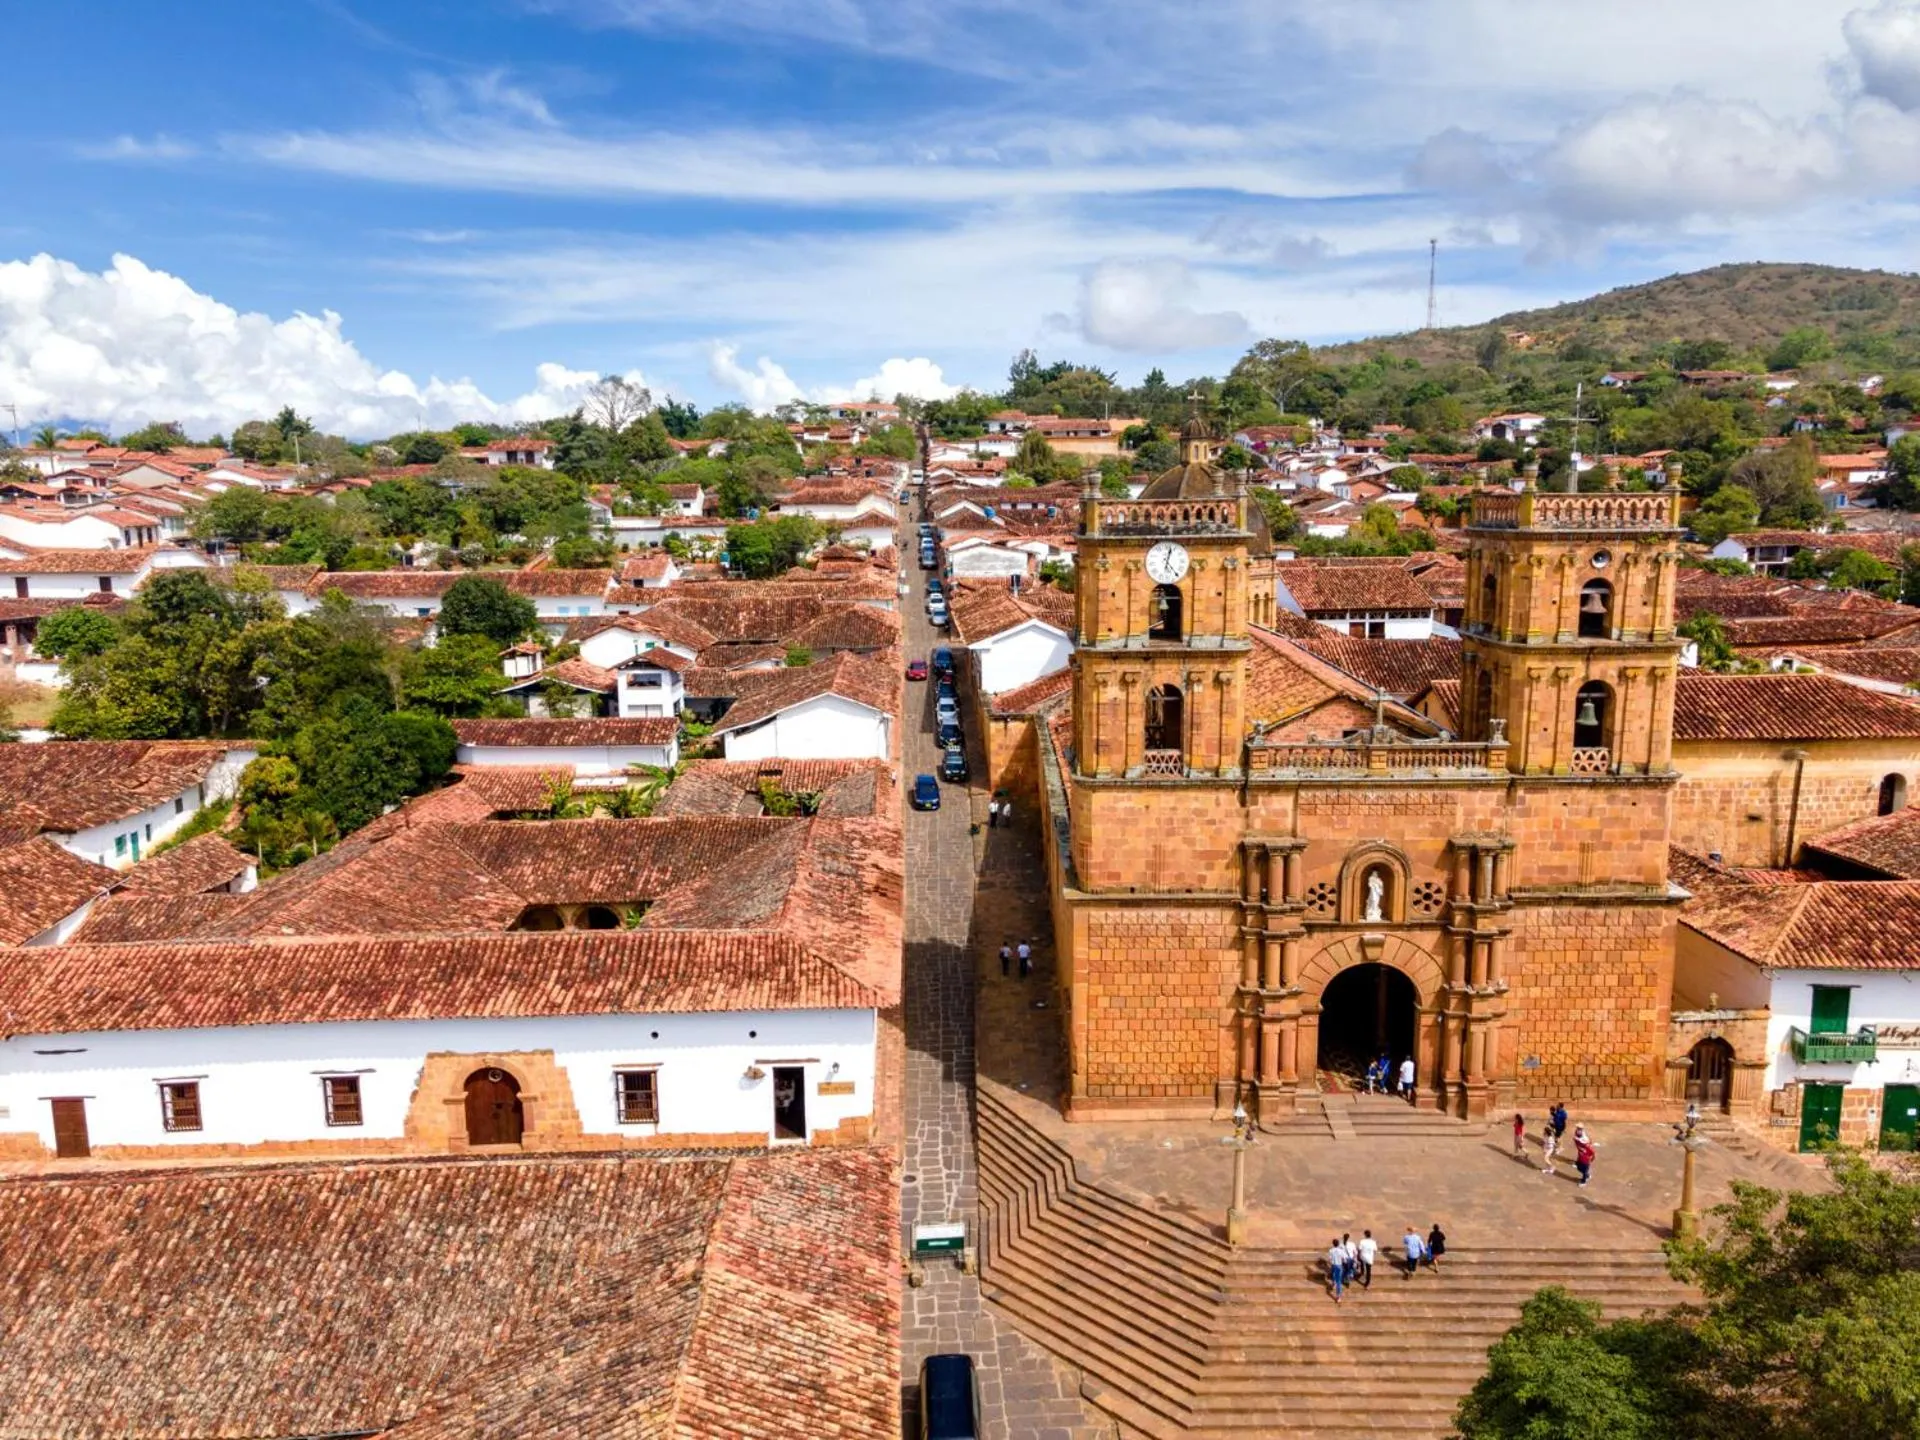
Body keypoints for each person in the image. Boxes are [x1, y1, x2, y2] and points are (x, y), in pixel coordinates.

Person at [1326, 1238, 1346, 1302]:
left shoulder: (1331, 1250)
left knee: (1334, 1275)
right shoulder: (1341, 1250)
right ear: (1338, 1244)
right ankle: (1338, 1296)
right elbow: (1344, 1259)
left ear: (1333, 1244)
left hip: (1333, 1265)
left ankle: (1333, 1283)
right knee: (1339, 1282)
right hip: (1339, 1266)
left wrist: (1331, 1262)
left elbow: (1329, 1259)